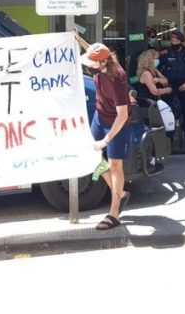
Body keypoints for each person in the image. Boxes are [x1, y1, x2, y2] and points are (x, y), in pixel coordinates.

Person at [80, 42, 133, 231]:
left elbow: (123, 114)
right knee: (93, 156)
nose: (87, 65)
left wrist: (106, 139)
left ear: (102, 63)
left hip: (116, 122)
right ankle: (121, 193)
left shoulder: (116, 77)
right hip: (100, 117)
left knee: (115, 164)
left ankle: (114, 212)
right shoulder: (101, 63)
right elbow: (94, 52)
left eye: (91, 62)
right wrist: (79, 39)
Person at [158, 30, 185, 148]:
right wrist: (163, 80)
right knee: (168, 113)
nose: (174, 42)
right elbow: (155, 68)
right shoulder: (165, 53)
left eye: (176, 40)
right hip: (170, 88)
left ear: (181, 41)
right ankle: (168, 139)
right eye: (172, 40)